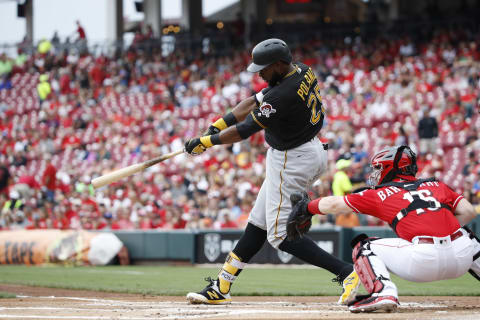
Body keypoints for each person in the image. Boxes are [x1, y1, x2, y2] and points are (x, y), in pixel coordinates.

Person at [184, 38, 359, 305]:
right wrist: (215, 125)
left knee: (279, 236)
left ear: (278, 64)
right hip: (303, 151)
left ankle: (348, 273)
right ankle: (221, 286)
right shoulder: (299, 69)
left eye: (264, 68)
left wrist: (207, 142)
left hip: (293, 158)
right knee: (257, 225)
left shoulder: (282, 95)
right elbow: (250, 102)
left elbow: (245, 130)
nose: (260, 73)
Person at [287, 145, 480, 313]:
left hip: (423, 262)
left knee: (364, 246)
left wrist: (307, 207)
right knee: (464, 236)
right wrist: (440, 227)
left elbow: (336, 204)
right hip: (461, 258)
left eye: (379, 168)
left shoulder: (379, 193)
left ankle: (383, 292)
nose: (375, 172)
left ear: (391, 168)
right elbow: (469, 212)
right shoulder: (436, 184)